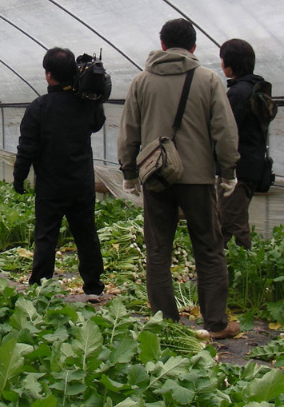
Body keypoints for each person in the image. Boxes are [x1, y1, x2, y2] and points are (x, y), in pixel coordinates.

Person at [117, 18, 241, 339]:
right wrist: (228, 170)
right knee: (209, 249)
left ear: (161, 45)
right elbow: (224, 131)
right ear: (193, 47)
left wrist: (130, 172)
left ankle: (165, 322)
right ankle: (215, 323)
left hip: (155, 176)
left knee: (158, 249)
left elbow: (128, 131)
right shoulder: (209, 80)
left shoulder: (141, 82)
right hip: (197, 178)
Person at [13, 47, 106, 297]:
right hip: (81, 182)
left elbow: (27, 147)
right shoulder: (85, 102)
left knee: (46, 235)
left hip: (51, 186)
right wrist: (94, 100)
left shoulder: (39, 107)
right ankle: (94, 287)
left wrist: (19, 177)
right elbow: (97, 124)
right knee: (86, 234)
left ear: (48, 74)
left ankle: (41, 287)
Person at [218, 39, 269, 250]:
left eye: (222, 60)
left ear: (230, 64)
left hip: (239, 169)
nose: (221, 64)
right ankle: (222, 269)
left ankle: (243, 269)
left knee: (233, 223)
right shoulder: (257, 88)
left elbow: (225, 131)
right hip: (253, 165)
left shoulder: (238, 94)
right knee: (228, 219)